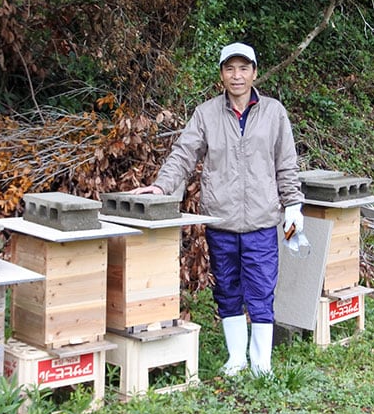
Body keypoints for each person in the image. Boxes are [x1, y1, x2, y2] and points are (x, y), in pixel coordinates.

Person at [130, 42, 305, 376]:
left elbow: (286, 163)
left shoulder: (273, 112)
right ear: (221, 74)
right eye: (229, 69)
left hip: (261, 221)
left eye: (243, 69)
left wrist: (292, 203)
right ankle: (236, 358)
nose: (236, 76)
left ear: (254, 73)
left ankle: (261, 363)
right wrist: (162, 186)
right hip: (221, 220)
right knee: (227, 289)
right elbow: (183, 154)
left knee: (261, 292)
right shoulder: (206, 114)